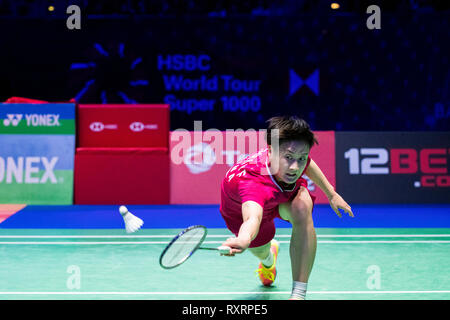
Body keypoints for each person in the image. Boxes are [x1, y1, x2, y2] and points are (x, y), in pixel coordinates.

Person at [219, 115, 354, 300]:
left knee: (302, 206)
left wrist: (332, 194)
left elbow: (308, 164)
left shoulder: (294, 158)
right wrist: (243, 239)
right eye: (289, 158)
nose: (295, 167)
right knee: (261, 250)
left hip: (281, 193)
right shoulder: (252, 182)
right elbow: (253, 218)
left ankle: (298, 294)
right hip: (240, 211)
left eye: (301, 158)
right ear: (270, 151)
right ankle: (268, 261)